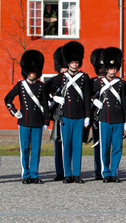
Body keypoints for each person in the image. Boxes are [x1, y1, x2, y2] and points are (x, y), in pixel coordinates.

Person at [46, 41, 91, 183]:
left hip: (79, 116)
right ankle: (67, 174)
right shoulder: (61, 77)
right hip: (65, 117)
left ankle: (76, 174)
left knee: (77, 145)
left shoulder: (84, 77)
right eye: (72, 62)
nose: (75, 64)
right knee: (65, 146)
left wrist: (87, 116)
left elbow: (87, 97)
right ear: (68, 63)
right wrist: (54, 97)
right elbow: (45, 89)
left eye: (77, 62)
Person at [4, 50, 49, 184]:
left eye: (35, 71)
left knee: (35, 150)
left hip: (37, 122)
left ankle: (35, 175)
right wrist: (14, 111)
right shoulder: (20, 85)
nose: (33, 73)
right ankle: (26, 175)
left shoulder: (41, 86)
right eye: (30, 71)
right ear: (26, 71)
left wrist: (46, 120)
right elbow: (8, 99)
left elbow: (45, 104)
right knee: (25, 150)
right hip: (24, 122)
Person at [92, 47, 126, 183]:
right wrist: (94, 101)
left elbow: (124, 102)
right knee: (105, 148)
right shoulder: (98, 83)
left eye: (115, 68)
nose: (113, 70)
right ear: (106, 68)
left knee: (117, 148)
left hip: (118, 119)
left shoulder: (121, 83)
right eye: (110, 68)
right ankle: (105, 173)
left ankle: (114, 172)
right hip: (104, 118)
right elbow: (88, 94)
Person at [46, 46, 67, 181]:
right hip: (58, 116)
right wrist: (52, 99)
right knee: (58, 143)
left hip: (70, 115)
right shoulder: (54, 81)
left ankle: (69, 170)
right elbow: (45, 93)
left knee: (69, 144)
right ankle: (60, 170)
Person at [89, 48, 106, 181]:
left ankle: (107, 169)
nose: (101, 69)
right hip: (96, 117)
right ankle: (97, 170)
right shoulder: (92, 82)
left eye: (103, 67)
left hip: (109, 117)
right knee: (97, 144)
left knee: (108, 144)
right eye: (99, 67)